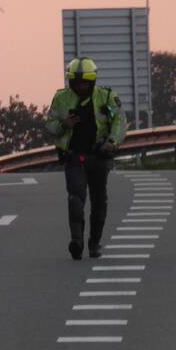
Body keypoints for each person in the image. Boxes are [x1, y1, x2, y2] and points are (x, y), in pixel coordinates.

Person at [45, 57, 127, 260]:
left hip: (99, 156)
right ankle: (76, 241)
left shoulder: (107, 97)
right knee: (75, 197)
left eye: (85, 83)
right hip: (73, 156)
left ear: (92, 81)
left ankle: (94, 242)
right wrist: (63, 124)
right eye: (76, 83)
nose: (81, 87)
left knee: (99, 201)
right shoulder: (61, 98)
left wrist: (112, 142)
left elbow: (119, 122)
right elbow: (50, 126)